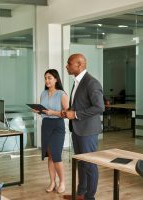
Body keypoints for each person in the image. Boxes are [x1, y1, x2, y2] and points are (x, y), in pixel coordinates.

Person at [62, 54, 105, 200]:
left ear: (79, 65)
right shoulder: (77, 81)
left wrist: (75, 115)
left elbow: (100, 107)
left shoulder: (91, 83)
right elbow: (79, 104)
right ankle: (80, 194)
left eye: (69, 63)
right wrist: (68, 112)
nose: (66, 66)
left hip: (88, 131)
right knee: (81, 163)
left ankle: (90, 197)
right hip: (77, 130)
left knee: (90, 165)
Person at [31, 69, 68, 194]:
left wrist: (52, 112)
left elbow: (67, 113)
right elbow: (44, 111)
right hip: (46, 125)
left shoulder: (61, 94)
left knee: (56, 156)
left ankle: (62, 182)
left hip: (57, 126)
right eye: (45, 78)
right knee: (50, 156)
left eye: (50, 78)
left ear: (56, 79)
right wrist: (38, 111)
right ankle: (52, 182)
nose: (47, 80)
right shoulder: (43, 93)